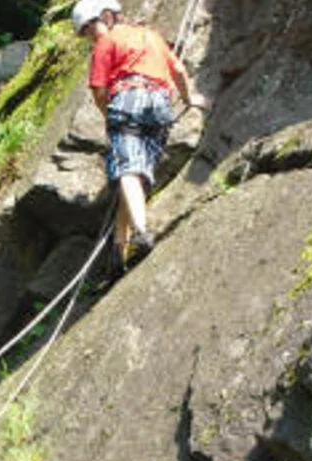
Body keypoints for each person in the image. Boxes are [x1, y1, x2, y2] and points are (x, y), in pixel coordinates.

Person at [72, 0, 210, 272]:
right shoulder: (151, 36)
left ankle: (141, 232)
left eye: (90, 29)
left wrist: (110, 118)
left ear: (107, 16)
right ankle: (118, 248)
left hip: (128, 98)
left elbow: (99, 91)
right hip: (160, 105)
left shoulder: (106, 42)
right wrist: (188, 98)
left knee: (128, 170)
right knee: (136, 172)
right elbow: (179, 71)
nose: (90, 36)